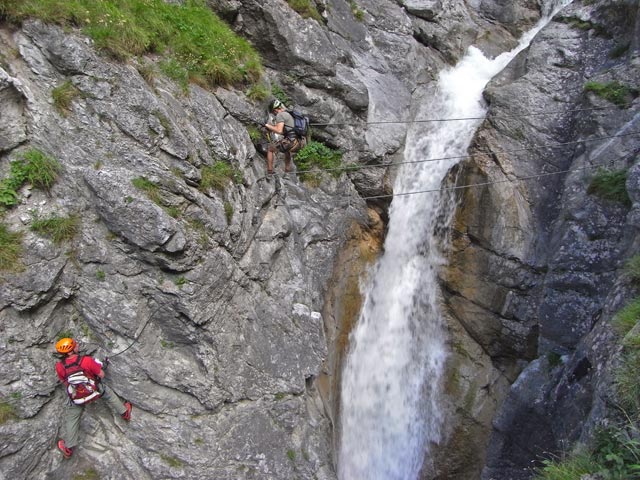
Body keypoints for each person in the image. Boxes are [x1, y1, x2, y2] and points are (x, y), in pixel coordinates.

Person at [54, 337, 132, 459]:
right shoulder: (86, 360)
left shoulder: (59, 366)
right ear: (70, 351)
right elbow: (101, 374)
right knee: (106, 392)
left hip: (78, 397)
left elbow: (65, 382)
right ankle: (124, 412)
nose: (77, 345)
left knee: (72, 416)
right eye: (75, 345)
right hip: (94, 391)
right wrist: (99, 367)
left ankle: (68, 448)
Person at [263, 99, 305, 175]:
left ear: (275, 110)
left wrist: (267, 125)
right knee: (287, 151)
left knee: (270, 149)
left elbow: (278, 130)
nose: (274, 114)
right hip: (299, 142)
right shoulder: (289, 114)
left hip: (291, 142)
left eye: (273, 112)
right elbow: (284, 131)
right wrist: (272, 129)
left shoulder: (280, 115)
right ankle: (287, 174)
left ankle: (269, 172)